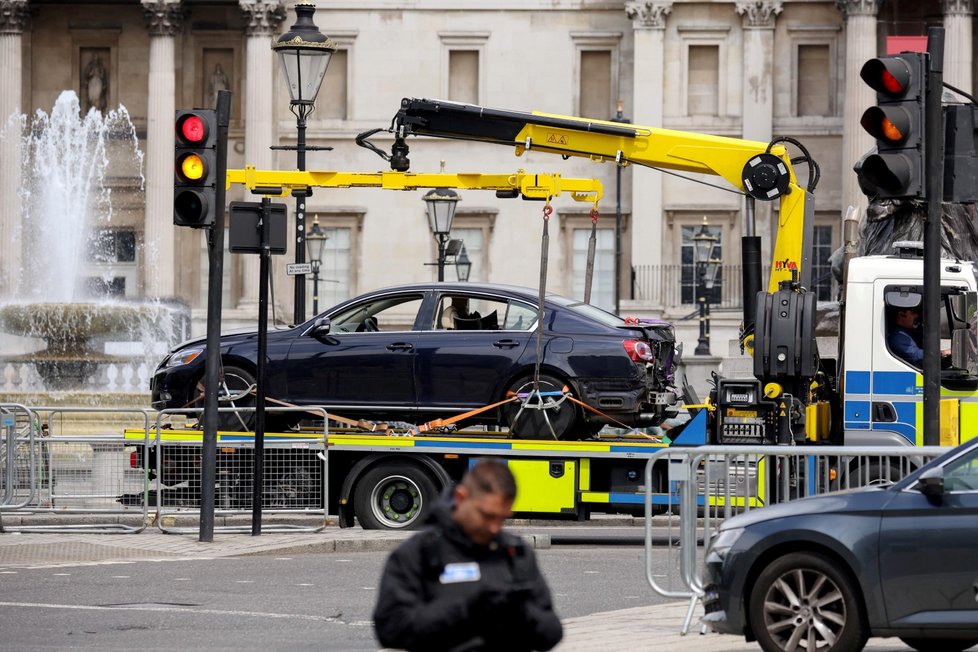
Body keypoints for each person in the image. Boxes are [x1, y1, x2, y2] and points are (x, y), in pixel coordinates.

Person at [373, 459, 563, 652]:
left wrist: (522, 612)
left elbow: (553, 632)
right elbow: (390, 630)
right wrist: (466, 607)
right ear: (461, 498)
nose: (495, 527)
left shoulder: (515, 553)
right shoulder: (418, 553)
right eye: (487, 516)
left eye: (502, 518)